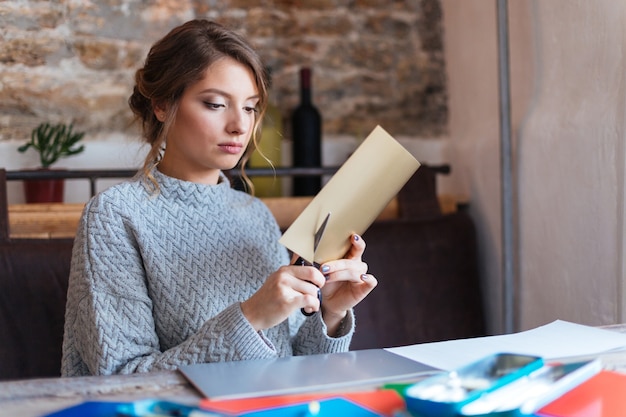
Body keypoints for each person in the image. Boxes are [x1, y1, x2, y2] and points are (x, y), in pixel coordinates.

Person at [61, 19, 377, 377]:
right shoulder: (116, 215)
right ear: (163, 104)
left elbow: (290, 368)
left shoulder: (254, 214)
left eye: (250, 107)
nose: (240, 126)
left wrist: (331, 314)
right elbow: (122, 378)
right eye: (215, 104)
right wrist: (250, 317)